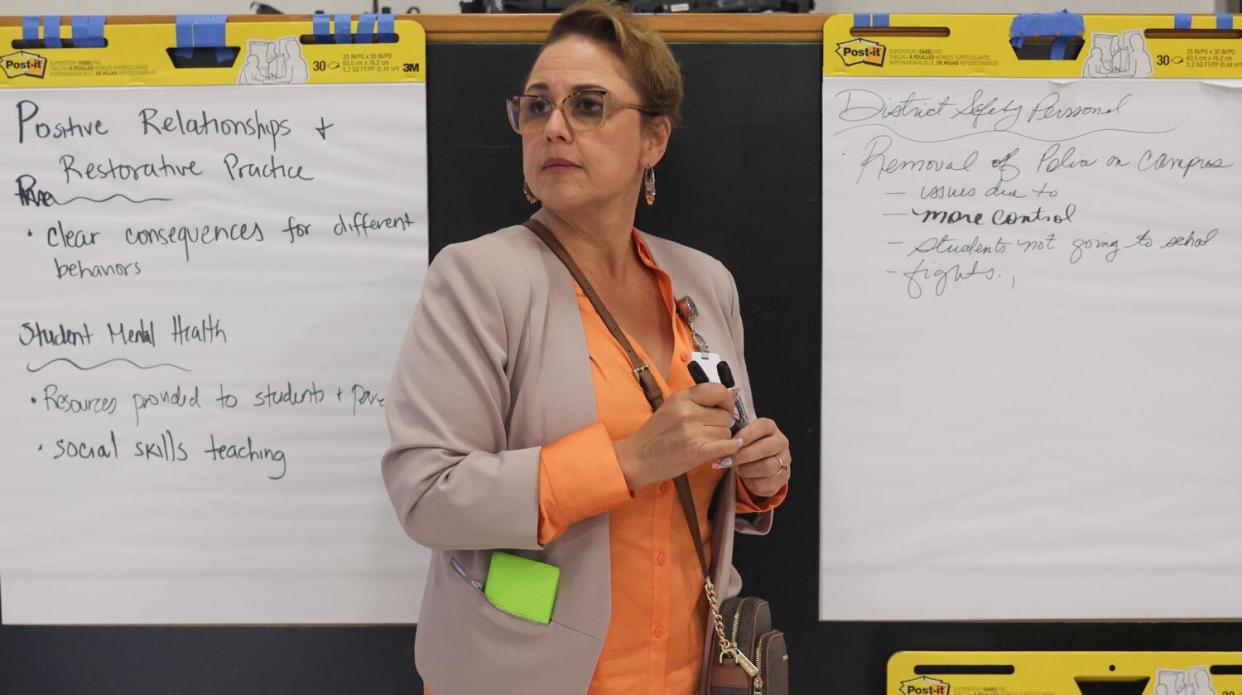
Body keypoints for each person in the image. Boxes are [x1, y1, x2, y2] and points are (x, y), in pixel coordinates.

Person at [381, 2, 791, 693]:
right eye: (537, 106)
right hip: (525, 673)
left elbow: (709, 460)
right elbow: (428, 494)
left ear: (653, 139)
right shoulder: (478, 279)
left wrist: (755, 480)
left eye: (589, 105)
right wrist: (629, 459)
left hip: (689, 671)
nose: (555, 127)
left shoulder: (704, 282)